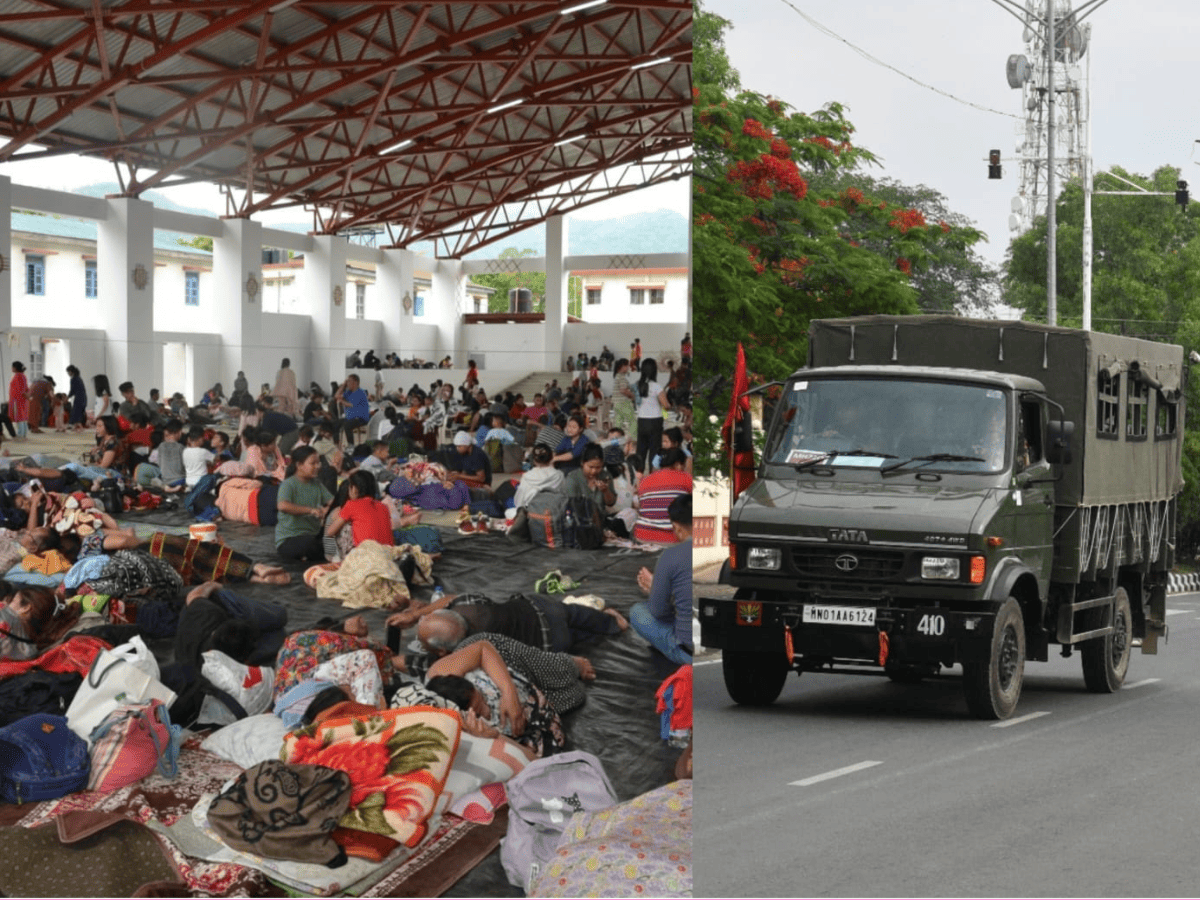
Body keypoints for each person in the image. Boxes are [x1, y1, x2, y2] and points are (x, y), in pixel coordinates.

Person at [389, 591, 628, 658]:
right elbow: (450, 598)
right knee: (573, 614)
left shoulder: (468, 652)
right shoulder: (470, 606)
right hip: (540, 609)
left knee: (574, 635)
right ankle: (613, 622)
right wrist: (417, 613)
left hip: (550, 644)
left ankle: (603, 627)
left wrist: (414, 613)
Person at [630, 494, 693, 665]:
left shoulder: (671, 555)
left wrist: (655, 590)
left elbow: (659, 612)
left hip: (688, 652)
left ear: (676, 527)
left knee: (637, 611)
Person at [275, 445, 334, 560]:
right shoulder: (288, 484)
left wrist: (329, 510)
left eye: (318, 463)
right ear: (299, 465)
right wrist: (311, 510)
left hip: (313, 534)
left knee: (334, 537)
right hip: (290, 539)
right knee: (313, 545)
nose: (317, 466)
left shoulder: (317, 484)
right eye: (313, 463)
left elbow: (333, 502)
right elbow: (282, 505)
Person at [0, 586, 81, 661]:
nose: (5, 604)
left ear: (25, 608)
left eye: (12, 601)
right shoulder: (31, 651)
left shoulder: (7, 631)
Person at [633, 448, 691, 544]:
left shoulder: (645, 480)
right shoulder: (686, 478)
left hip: (643, 536)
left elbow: (641, 505)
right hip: (672, 539)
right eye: (683, 466)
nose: (684, 469)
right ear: (678, 464)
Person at [325, 469, 394, 548]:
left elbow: (330, 532)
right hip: (387, 553)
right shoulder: (383, 506)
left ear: (354, 489)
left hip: (366, 555)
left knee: (346, 526)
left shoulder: (351, 505)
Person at [634, 358, 671, 465]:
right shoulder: (656, 386)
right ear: (654, 370)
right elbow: (666, 405)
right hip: (655, 421)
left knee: (641, 450)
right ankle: (653, 477)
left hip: (641, 420)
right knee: (654, 451)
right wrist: (669, 405)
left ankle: (638, 476)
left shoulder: (636, 386)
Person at [564, 443, 616, 510]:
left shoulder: (605, 476)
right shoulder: (572, 478)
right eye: (590, 467)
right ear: (582, 463)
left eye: (598, 467)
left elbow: (610, 503)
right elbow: (573, 506)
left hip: (601, 517)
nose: (594, 471)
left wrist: (606, 491)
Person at [512, 444, 564, 510]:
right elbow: (563, 496)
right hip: (552, 511)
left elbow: (519, 501)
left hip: (531, 512)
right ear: (551, 458)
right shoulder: (559, 475)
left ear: (534, 460)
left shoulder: (527, 476)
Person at [332, 373, 370, 448]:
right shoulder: (349, 392)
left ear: (355, 382)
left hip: (360, 418)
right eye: (347, 381)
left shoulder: (361, 393)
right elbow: (336, 396)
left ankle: (351, 446)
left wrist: (341, 401)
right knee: (335, 424)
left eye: (349, 381)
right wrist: (343, 385)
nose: (348, 383)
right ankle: (336, 445)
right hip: (349, 418)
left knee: (347, 426)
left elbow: (350, 404)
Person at [8, 362, 28, 440]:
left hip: (17, 399)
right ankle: (23, 433)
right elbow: (25, 388)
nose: (11, 369)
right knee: (22, 417)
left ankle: (20, 433)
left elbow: (18, 390)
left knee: (19, 417)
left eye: (12, 367)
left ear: (15, 368)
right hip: (22, 399)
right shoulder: (23, 376)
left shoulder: (17, 376)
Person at [66, 365, 88, 430]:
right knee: (79, 413)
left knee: (75, 412)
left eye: (68, 372)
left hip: (79, 398)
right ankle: (75, 426)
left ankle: (71, 425)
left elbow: (72, 390)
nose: (68, 374)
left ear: (71, 371)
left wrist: (67, 397)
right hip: (83, 397)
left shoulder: (74, 379)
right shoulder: (78, 378)